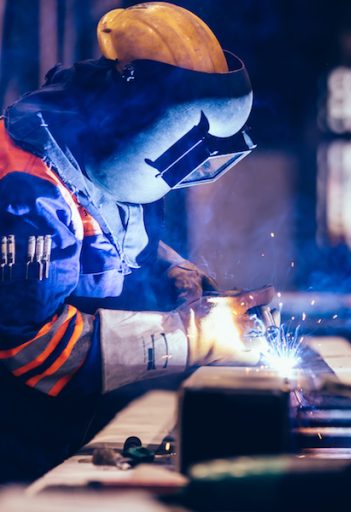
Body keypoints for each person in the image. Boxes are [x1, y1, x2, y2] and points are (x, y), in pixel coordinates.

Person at [0, 2, 272, 482]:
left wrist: (177, 276)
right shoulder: (30, 190)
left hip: (60, 431)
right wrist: (194, 336)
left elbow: (123, 249)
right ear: (151, 130)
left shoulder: (99, 153)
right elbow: (32, 349)